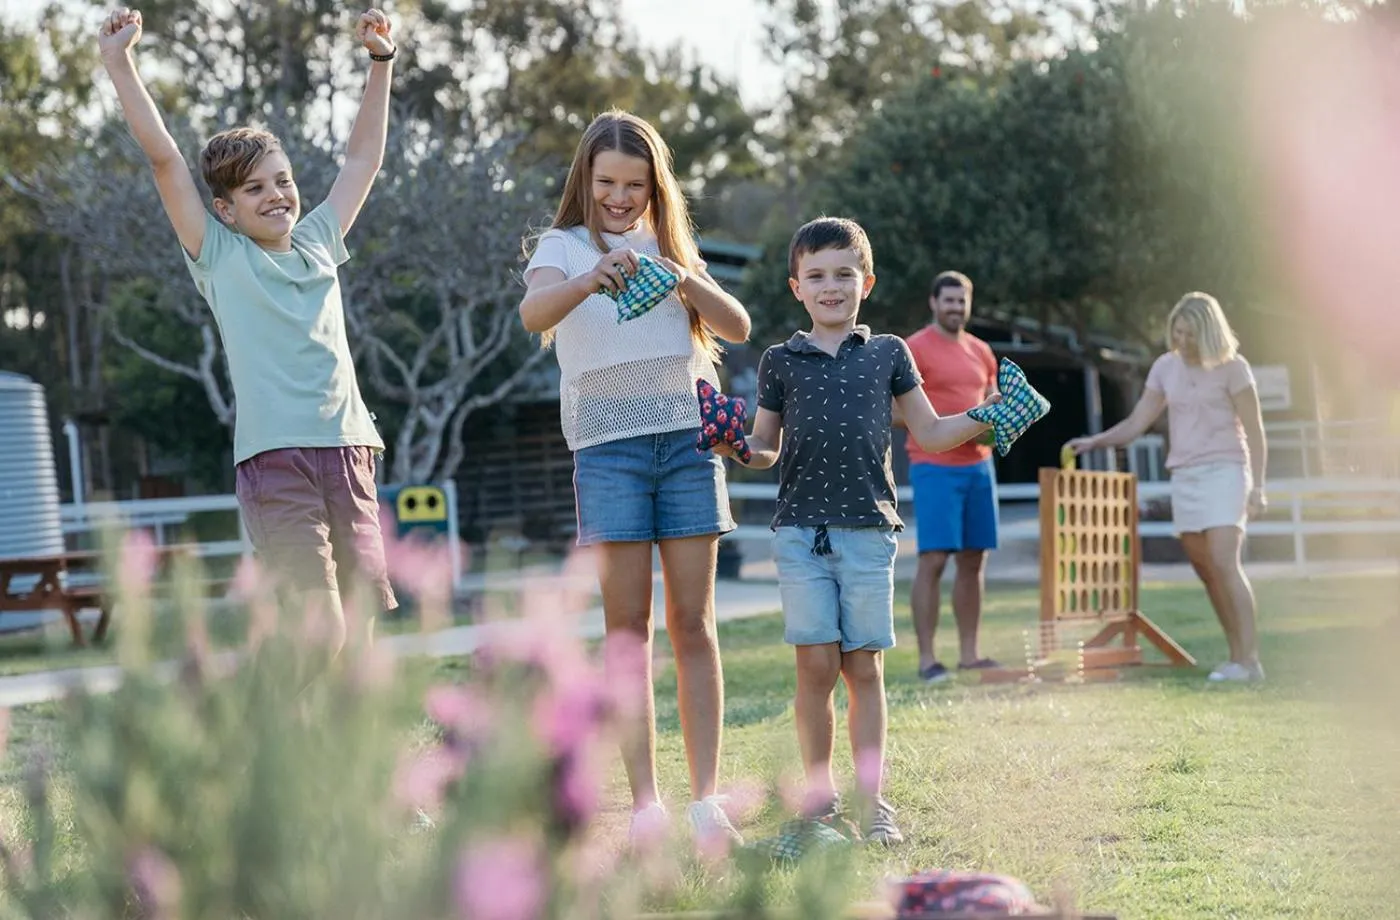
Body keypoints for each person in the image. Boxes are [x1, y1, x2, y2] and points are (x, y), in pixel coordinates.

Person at [98, 7, 400, 650]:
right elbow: (165, 160)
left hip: (349, 451)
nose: (276, 195)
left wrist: (381, 62)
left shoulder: (319, 240)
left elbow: (362, 159)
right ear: (225, 210)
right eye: (254, 189)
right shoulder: (220, 256)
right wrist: (120, 63)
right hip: (276, 461)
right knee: (321, 631)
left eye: (282, 181)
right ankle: (251, 711)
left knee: (360, 642)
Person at [720, 217, 1004, 845]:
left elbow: (930, 432)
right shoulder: (779, 362)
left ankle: (873, 803)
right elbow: (764, 447)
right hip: (800, 534)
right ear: (796, 287)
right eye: (817, 275)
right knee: (816, 666)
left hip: (870, 533)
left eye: (844, 274)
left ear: (866, 282)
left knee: (864, 670)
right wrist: (734, 446)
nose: (831, 286)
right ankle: (819, 800)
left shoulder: (889, 354)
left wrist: (988, 415)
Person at [518, 110, 752, 849]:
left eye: (635, 185)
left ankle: (706, 799)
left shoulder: (670, 247)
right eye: (607, 183)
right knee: (628, 632)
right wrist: (590, 278)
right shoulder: (562, 247)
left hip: (687, 446)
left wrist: (685, 280)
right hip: (607, 453)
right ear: (584, 180)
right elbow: (532, 314)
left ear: (655, 188)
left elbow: (738, 326)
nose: (620, 198)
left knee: (693, 624)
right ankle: (647, 804)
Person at [1066, 292, 1268, 682]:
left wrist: (1258, 487)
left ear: (1209, 332)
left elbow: (1256, 432)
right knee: (1206, 570)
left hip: (1226, 470)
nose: (1183, 341)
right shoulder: (1165, 367)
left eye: (1191, 334)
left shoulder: (1233, 368)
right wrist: (1095, 442)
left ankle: (1251, 660)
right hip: (1185, 475)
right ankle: (1235, 657)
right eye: (1178, 332)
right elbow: (1136, 422)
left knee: (1225, 562)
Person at [900, 271, 1002, 682]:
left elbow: (993, 406)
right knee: (935, 558)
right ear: (933, 302)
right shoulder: (914, 348)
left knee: (975, 558)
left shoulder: (982, 351)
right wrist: (944, 427)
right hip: (933, 465)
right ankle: (928, 660)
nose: (956, 307)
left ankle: (970, 655)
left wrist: (1002, 424)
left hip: (979, 466)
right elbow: (895, 409)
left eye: (962, 301)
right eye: (949, 300)